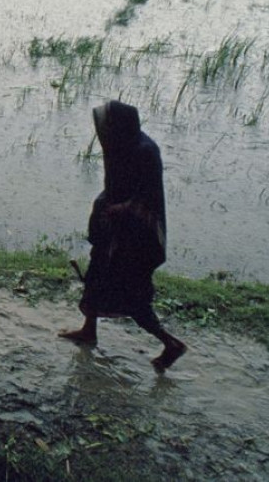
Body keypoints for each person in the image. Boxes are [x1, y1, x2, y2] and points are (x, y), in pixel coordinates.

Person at [59, 100, 186, 372]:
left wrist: (118, 209)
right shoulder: (123, 146)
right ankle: (88, 330)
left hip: (135, 240)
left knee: (134, 296)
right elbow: (116, 188)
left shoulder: (144, 152)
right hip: (113, 231)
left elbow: (146, 199)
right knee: (95, 277)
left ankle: (170, 343)